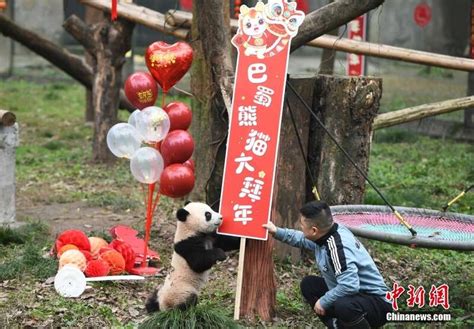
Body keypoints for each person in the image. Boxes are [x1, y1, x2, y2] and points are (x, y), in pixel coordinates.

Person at [263, 201, 392, 329]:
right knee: (309, 285)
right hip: (356, 295)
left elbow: (350, 286)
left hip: (378, 303)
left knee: (344, 305)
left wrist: (323, 301)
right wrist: (276, 231)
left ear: (314, 230)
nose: (300, 226)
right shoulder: (326, 233)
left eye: (301, 224)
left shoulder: (337, 247)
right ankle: (336, 326)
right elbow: (302, 239)